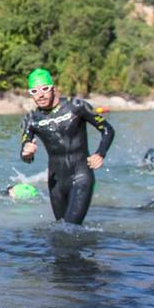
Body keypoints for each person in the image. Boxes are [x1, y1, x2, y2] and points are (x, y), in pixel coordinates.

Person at [18, 68, 114, 225]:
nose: (40, 95)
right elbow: (25, 154)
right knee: (61, 231)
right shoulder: (30, 120)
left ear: (54, 88)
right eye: (34, 91)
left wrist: (100, 153)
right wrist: (27, 153)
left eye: (45, 89)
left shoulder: (77, 106)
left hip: (81, 175)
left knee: (70, 228)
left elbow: (107, 129)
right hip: (56, 182)